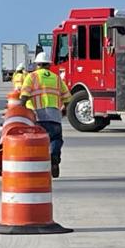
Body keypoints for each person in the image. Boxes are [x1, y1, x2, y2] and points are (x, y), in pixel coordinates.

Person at [19, 48, 72, 177]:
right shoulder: (56, 78)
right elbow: (67, 98)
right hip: (54, 115)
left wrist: (21, 110)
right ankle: (54, 157)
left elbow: (24, 95)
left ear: (37, 64)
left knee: (39, 142)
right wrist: (64, 110)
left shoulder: (32, 77)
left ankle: (39, 167)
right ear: (49, 64)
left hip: (38, 115)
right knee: (56, 139)